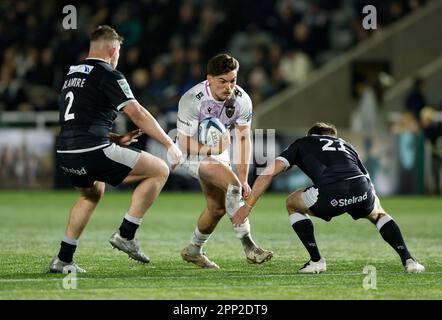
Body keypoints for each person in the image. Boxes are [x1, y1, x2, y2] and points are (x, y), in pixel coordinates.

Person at [49, 25, 182, 273]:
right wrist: (169, 143)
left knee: (91, 194)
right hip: (92, 151)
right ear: (112, 49)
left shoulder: (72, 74)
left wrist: (114, 138)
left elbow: (77, 119)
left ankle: (63, 259)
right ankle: (126, 234)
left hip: (66, 152)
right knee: (159, 170)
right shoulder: (109, 74)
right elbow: (136, 112)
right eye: (119, 49)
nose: (118, 54)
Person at [233, 122, 425, 274]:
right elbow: (367, 179)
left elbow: (268, 174)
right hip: (361, 187)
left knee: (292, 202)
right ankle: (409, 261)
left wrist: (248, 206)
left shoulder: (303, 143)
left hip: (331, 193)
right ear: (331, 137)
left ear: (312, 136)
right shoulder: (346, 145)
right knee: (379, 214)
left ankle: (316, 261)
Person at [176, 53, 273, 269]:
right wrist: (213, 150)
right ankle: (250, 247)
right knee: (232, 186)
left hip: (218, 151)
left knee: (217, 208)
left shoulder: (242, 100)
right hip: (191, 150)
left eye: (233, 80)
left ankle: (193, 250)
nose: (229, 87)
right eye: (222, 81)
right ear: (209, 79)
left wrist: (243, 177)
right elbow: (183, 142)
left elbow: (244, 138)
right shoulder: (192, 99)